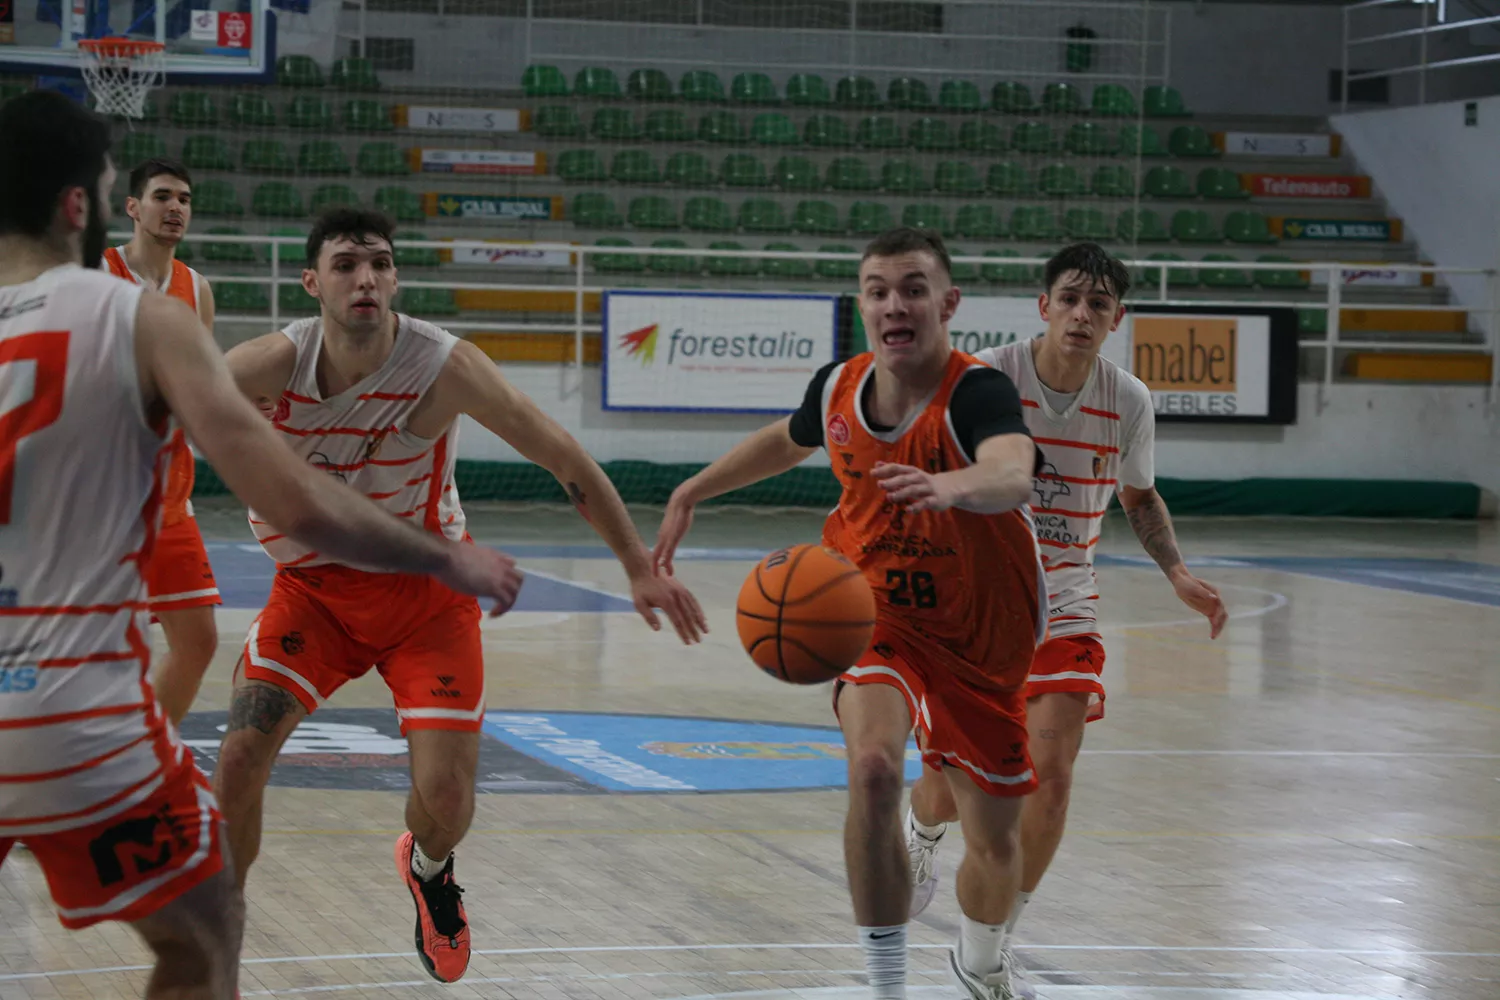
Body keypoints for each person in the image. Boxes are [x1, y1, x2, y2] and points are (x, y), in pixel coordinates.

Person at [0, 91, 524, 1000]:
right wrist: (444, 555)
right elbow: (289, 494)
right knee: (206, 936)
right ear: (83, 207)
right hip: (71, 707)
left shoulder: (421, 356)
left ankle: (431, 870)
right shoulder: (142, 315)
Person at [216, 205, 708, 985]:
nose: (365, 277)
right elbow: (154, 412)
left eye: (378, 262)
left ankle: (430, 866)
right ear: (312, 282)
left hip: (428, 596)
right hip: (314, 593)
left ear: (396, 277)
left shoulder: (443, 365)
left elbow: (563, 454)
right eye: (345, 264)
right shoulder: (269, 365)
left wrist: (636, 563)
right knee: (239, 759)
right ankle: (219, 940)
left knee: (447, 798)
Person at [654, 227, 1046, 1000]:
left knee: (997, 844)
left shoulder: (976, 393)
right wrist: (691, 488)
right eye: (877, 289)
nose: (894, 304)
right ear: (862, 303)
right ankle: (885, 987)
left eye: (912, 287)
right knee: (871, 771)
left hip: (983, 635)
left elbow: (1014, 471)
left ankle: (980, 958)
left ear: (948, 302)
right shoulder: (839, 388)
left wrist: (952, 486)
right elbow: (787, 438)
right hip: (876, 613)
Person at [903, 242, 1229, 997]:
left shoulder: (1129, 401)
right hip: (973, 610)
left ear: (1118, 319)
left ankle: (988, 947)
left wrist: (1176, 570)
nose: (1083, 314)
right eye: (1071, 299)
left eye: (1100, 304)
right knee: (954, 789)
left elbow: (1139, 499)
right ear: (1042, 305)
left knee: (1048, 782)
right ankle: (921, 832)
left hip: (1065, 608)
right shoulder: (986, 379)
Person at [103, 157, 221, 725]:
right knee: (91, 654)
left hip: (170, 500)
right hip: (98, 502)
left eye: (185, 198)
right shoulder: (94, 277)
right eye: (162, 196)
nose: (175, 207)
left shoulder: (196, 289)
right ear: (132, 207)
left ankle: (146, 751)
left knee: (197, 642)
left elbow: (203, 385)